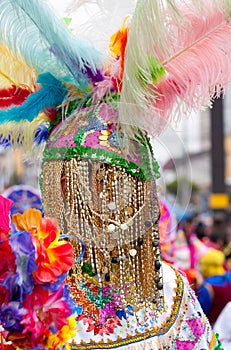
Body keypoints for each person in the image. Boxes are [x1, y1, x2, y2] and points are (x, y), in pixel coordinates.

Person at [1, 0, 231, 348]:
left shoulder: (170, 292)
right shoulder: (24, 292)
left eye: (114, 182)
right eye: (81, 182)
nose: (102, 198)